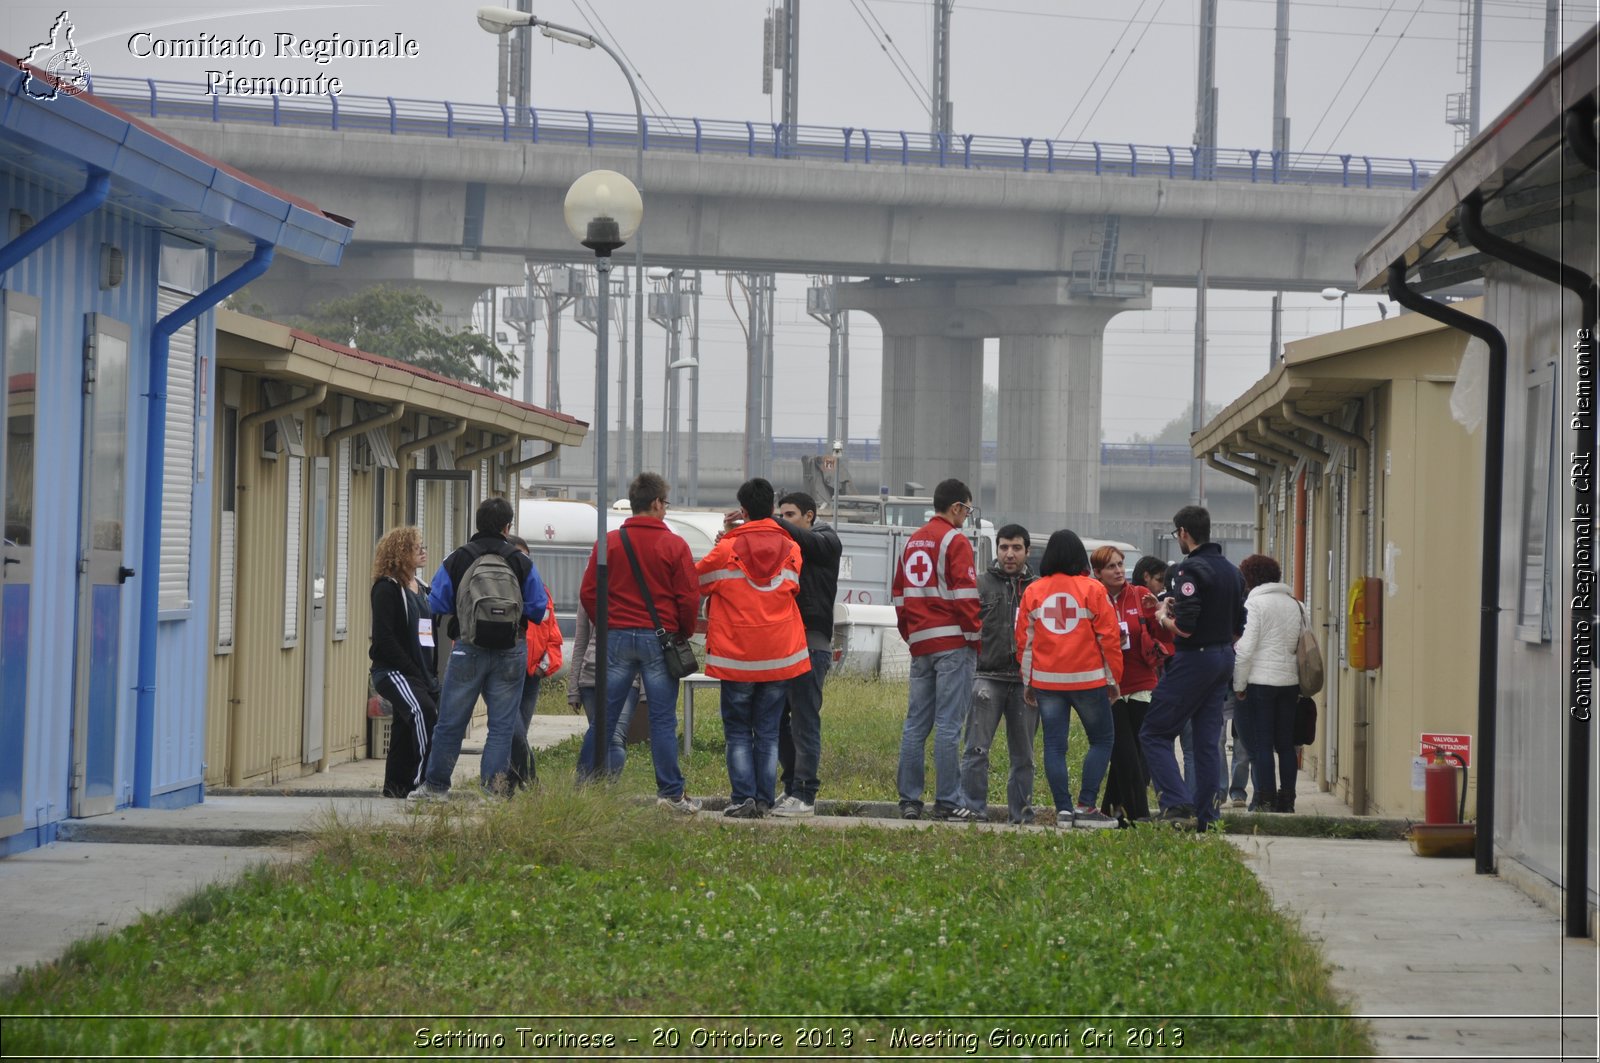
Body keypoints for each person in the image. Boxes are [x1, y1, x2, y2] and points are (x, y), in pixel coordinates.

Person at [579, 472, 701, 814]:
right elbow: (689, 598)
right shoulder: (675, 545)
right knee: (662, 720)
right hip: (660, 640)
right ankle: (670, 794)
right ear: (657, 503)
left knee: (604, 717)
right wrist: (682, 632)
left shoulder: (608, 543)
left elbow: (589, 592)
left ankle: (583, 787)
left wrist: (607, 625)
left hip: (616, 637)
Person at [411, 497, 548, 799]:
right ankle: (494, 792)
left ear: (477, 523)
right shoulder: (521, 561)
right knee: (500, 726)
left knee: (450, 722)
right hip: (512, 650)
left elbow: (437, 603)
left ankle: (435, 787)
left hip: (467, 647)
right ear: (507, 526)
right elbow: (538, 609)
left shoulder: (458, 558)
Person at [699, 477, 809, 819]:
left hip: (736, 657)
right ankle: (764, 800)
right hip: (779, 656)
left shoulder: (725, 550)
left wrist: (726, 536)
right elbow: (793, 589)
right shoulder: (792, 549)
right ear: (773, 510)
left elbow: (697, 581)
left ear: (742, 510)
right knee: (768, 730)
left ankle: (742, 798)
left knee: (737, 731)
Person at [1137, 506, 1246, 831]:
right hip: (1224, 656)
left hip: (1194, 659)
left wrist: (1161, 616)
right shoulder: (1231, 571)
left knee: (1154, 732)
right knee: (1205, 741)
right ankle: (1208, 817)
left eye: (1177, 535)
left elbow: (1185, 627)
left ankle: (1176, 803)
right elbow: (1238, 624)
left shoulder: (1189, 571)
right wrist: (1174, 605)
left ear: (1183, 532)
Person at [1015, 530, 1122, 829]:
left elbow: (1024, 642)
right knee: (1102, 740)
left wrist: (1028, 682)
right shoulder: (1094, 590)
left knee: (1054, 746)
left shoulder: (1034, 591)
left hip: (1048, 683)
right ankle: (1086, 806)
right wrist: (1114, 679)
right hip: (1089, 681)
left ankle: (1063, 810)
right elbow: (1109, 639)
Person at [892, 478, 982, 822]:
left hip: (921, 643)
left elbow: (899, 594)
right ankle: (947, 800)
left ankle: (910, 801)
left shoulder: (912, 541)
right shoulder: (955, 540)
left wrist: (912, 634)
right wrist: (975, 637)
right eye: (967, 510)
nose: (967, 517)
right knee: (948, 725)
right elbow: (965, 595)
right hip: (953, 644)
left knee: (915, 724)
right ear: (957, 507)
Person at [960, 523, 1038, 824]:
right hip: (986, 677)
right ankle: (973, 809)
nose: (1009, 554)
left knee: (1024, 756)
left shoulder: (1038, 588)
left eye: (1016, 548)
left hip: (1025, 682)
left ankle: (1021, 816)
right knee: (976, 750)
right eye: (1004, 547)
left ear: (1027, 551)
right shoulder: (980, 585)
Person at [770, 490, 842, 818]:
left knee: (804, 719)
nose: (784, 521)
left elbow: (806, 543)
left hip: (811, 646)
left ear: (809, 516)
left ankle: (806, 793)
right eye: (780, 514)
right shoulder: (787, 544)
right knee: (776, 720)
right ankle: (791, 786)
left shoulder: (826, 540)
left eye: (790, 515)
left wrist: (766, 520)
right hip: (783, 644)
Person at [1091, 544, 1165, 824]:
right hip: (1108, 683)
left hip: (1142, 681)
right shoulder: (1093, 597)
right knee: (1124, 749)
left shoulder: (1140, 595)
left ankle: (1113, 809)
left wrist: (1157, 612)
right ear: (1097, 572)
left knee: (1136, 750)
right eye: (1111, 566)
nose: (1119, 570)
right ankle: (1140, 815)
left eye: (1120, 564)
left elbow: (1161, 635)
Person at [1231, 553, 1304, 813]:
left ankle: (1265, 799)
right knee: (1286, 744)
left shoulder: (1254, 606)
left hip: (1259, 684)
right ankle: (1287, 799)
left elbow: (1245, 649)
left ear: (1250, 578)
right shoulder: (1297, 605)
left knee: (1262, 744)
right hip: (1290, 683)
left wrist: (1239, 685)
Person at [369, 526, 438, 798]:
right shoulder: (386, 589)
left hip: (420, 671)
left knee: (403, 725)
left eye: (423, 546)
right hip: (394, 671)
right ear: (400, 553)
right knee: (425, 712)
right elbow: (385, 639)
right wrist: (412, 669)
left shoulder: (421, 588)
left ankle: (396, 787)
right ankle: (425, 781)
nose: (423, 552)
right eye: (416, 547)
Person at [505, 535, 564, 792]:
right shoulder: (496, 588)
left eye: (525, 557)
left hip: (532, 675)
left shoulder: (541, 591)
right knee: (513, 733)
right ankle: (530, 779)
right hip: (504, 672)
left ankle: (508, 784)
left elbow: (553, 635)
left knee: (518, 735)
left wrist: (545, 664)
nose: (522, 562)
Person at [566, 606, 642, 773]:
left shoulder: (632, 590)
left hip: (617, 676)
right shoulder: (591, 589)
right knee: (606, 738)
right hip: (594, 678)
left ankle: (595, 788)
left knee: (610, 738)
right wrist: (573, 689)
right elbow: (581, 642)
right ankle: (594, 788)